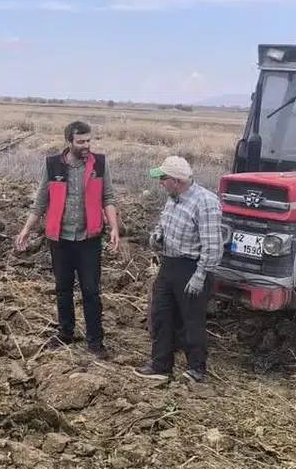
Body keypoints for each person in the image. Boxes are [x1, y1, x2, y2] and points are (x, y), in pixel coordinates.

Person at [15, 120, 120, 358]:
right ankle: (65, 334)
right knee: (63, 289)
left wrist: (113, 228)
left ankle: (95, 341)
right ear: (69, 142)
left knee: (91, 290)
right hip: (60, 239)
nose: (86, 145)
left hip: (88, 238)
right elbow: (41, 201)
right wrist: (26, 230)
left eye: (89, 140)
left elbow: (108, 198)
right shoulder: (53, 165)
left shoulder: (99, 164)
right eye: (81, 141)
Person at [137, 155, 222, 383]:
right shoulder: (173, 199)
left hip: (191, 268)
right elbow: (163, 225)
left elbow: (213, 245)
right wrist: (157, 237)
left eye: (163, 178)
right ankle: (161, 365)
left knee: (191, 320)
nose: (160, 183)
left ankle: (196, 369)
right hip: (169, 264)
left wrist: (200, 276)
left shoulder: (205, 202)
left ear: (177, 180)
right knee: (161, 315)